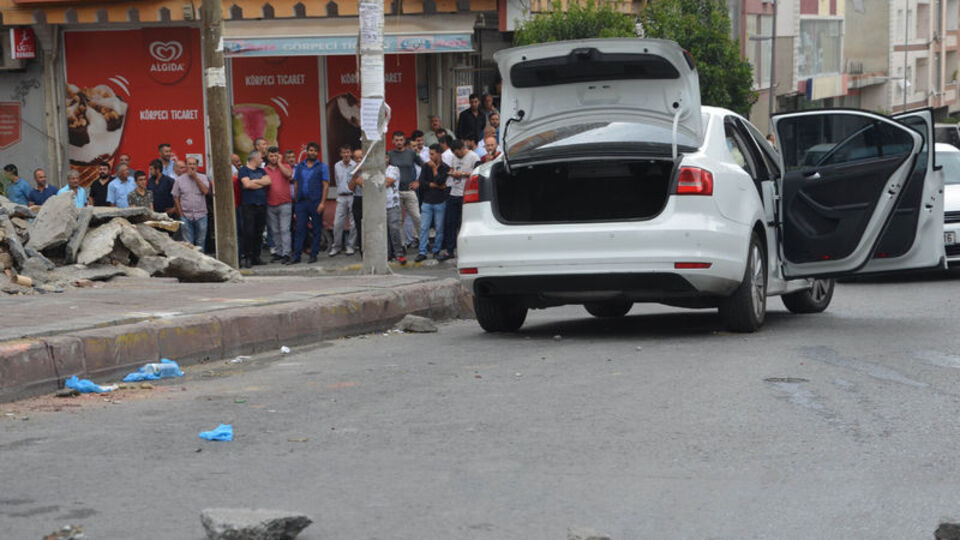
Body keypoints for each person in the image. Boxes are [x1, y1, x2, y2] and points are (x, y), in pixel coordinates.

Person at [440, 140, 479, 261]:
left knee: (465, 224)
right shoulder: (454, 157)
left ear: (463, 148)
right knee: (450, 222)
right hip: (454, 192)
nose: (457, 156)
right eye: (455, 154)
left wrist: (462, 174)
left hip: (466, 193)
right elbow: (452, 168)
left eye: (458, 153)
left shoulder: (473, 157)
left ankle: (468, 250)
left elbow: (478, 173)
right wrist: (452, 173)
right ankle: (450, 250)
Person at [291, 142, 329, 264]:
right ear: (306, 151)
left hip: (316, 202)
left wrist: (322, 203)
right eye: (310, 150)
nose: (312, 153)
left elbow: (326, 186)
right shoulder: (299, 167)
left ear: (317, 153)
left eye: (314, 151)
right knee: (300, 229)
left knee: (317, 228)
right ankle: (297, 256)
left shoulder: (322, 167)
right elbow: (296, 184)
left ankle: (314, 254)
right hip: (301, 202)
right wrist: (296, 202)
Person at [388, 131, 423, 248]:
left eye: (401, 140)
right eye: (396, 140)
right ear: (393, 141)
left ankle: (423, 243)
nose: (399, 142)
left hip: (409, 191)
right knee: (397, 221)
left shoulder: (411, 153)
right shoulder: (389, 154)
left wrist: (419, 181)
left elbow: (425, 167)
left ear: (404, 141)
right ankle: (401, 246)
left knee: (417, 217)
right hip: (395, 192)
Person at [415, 144, 450, 262]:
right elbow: (422, 182)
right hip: (427, 201)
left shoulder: (445, 167)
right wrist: (434, 185)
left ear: (439, 154)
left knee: (439, 228)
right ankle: (422, 251)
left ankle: (436, 250)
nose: (430, 156)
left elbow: (441, 181)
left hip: (440, 201)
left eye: (432, 154)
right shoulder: (425, 167)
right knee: (424, 227)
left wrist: (435, 170)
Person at [237, 151, 270, 268]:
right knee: (249, 232)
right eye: (261, 158)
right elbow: (246, 185)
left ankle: (257, 257)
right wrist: (260, 184)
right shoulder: (244, 170)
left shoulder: (261, 171)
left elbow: (268, 181)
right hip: (249, 206)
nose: (262, 160)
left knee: (259, 232)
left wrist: (255, 182)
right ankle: (248, 257)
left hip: (261, 205)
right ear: (254, 159)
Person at [172, 156, 211, 248]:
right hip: (186, 216)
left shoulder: (203, 177)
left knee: (200, 241)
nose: (192, 166)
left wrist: (196, 178)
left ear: (197, 166)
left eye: (194, 164)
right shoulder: (179, 180)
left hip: (201, 215)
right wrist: (181, 214)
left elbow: (205, 191)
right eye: (190, 164)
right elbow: (176, 197)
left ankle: (201, 262)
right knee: (188, 243)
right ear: (186, 166)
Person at [264, 146, 294, 264]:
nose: (273, 158)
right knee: (275, 231)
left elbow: (288, 175)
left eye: (276, 155)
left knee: (284, 229)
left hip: (285, 203)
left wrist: (280, 163)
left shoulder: (285, 166)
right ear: (268, 157)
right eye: (271, 156)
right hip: (270, 203)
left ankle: (286, 253)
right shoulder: (264, 170)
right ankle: (279, 252)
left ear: (279, 156)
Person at [329, 145, 358, 257]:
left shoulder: (355, 165)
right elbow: (337, 180)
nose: (346, 155)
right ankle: (336, 247)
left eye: (348, 152)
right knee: (337, 223)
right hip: (341, 196)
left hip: (352, 195)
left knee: (353, 223)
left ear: (351, 154)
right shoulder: (337, 165)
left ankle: (350, 246)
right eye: (344, 153)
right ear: (341, 154)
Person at [347, 148, 365, 253]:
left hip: (369, 199)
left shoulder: (370, 169)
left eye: (361, 158)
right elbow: (351, 187)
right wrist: (356, 173)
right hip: (358, 198)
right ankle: (362, 250)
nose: (359, 160)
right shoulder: (352, 170)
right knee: (359, 226)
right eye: (356, 158)